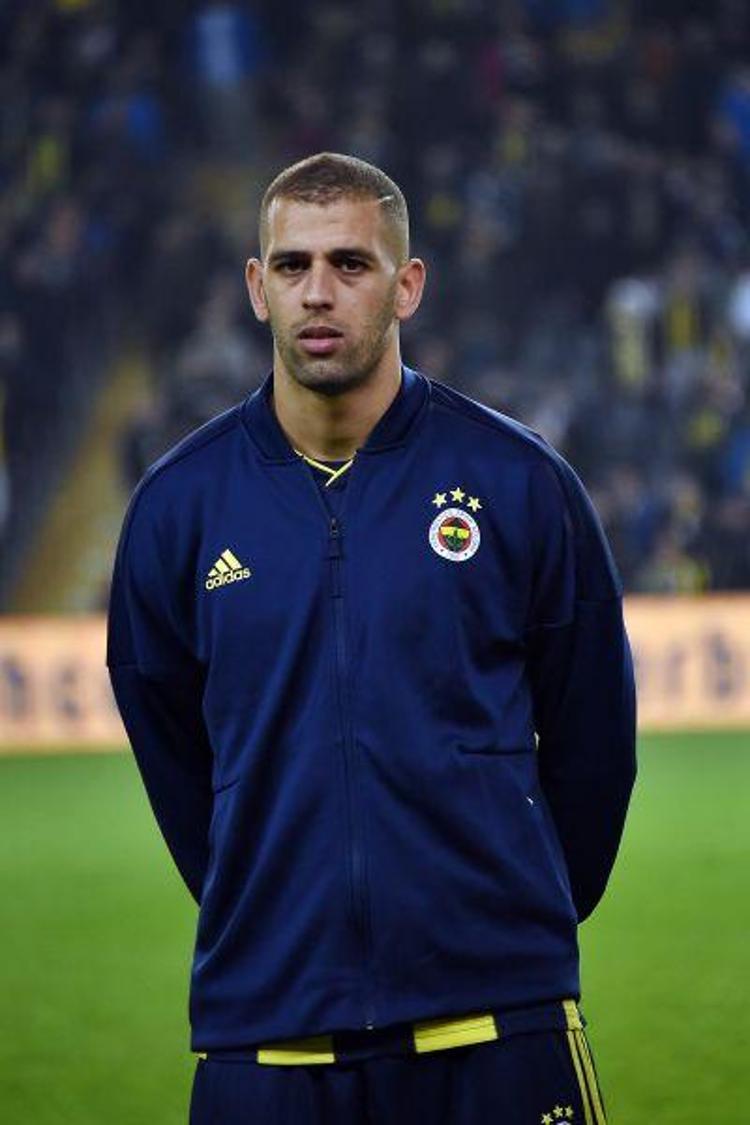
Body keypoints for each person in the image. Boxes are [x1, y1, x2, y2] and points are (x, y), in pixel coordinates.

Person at [107, 152, 637, 1125]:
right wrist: (269, 899)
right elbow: (176, 759)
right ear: (256, 287)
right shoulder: (178, 509)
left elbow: (595, 743)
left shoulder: (520, 482)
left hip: (499, 1029)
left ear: (408, 285)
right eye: (294, 265)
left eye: (351, 263)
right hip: (268, 1038)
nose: (319, 291)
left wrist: (512, 917)